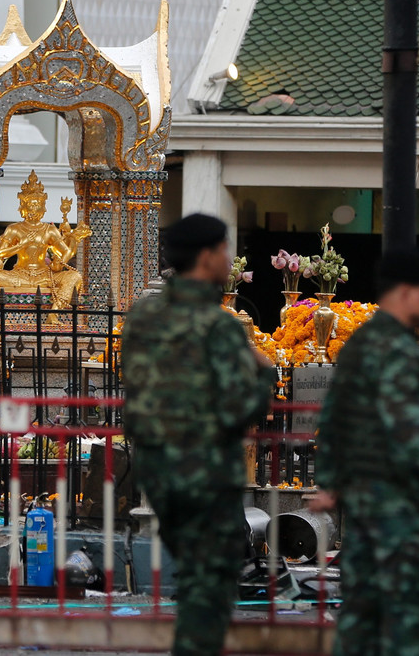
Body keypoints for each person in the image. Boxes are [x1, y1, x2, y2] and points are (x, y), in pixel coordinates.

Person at [120, 214, 274, 656]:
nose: (229, 258)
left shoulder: (143, 316)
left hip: (157, 468)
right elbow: (242, 407)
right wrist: (267, 376)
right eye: (225, 249)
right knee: (210, 587)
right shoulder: (217, 326)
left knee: (192, 573)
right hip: (205, 471)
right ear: (207, 257)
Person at [309, 248, 419, 656]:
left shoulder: (363, 344)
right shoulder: (396, 353)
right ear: (405, 291)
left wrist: (331, 482)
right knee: (409, 626)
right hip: (404, 515)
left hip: (366, 511)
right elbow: (410, 436)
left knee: (363, 622)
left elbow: (333, 421)